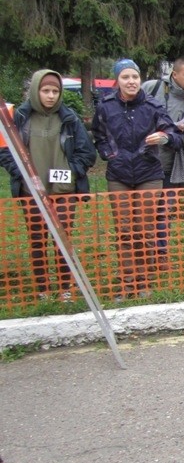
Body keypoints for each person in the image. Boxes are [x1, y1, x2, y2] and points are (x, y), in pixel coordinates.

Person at [0, 69, 97, 301]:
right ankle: (42, 289)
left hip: (63, 193)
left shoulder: (70, 119)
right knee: (37, 240)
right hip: (31, 193)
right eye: (46, 91)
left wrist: (72, 172)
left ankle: (65, 288)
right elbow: (5, 152)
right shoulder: (18, 119)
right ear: (35, 91)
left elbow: (87, 153)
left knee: (62, 240)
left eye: (55, 91)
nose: (51, 95)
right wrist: (21, 174)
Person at [92, 59, 182, 300]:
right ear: (117, 80)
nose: (131, 81)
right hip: (119, 174)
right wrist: (108, 153)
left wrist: (164, 138)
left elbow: (174, 135)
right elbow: (98, 136)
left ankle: (143, 281)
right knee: (123, 230)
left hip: (148, 173)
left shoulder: (153, 106)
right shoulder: (106, 106)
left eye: (134, 77)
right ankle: (125, 280)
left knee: (143, 229)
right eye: (125, 77)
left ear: (140, 79)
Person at [143, 57, 184, 270]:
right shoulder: (152, 88)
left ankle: (160, 255)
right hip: (144, 164)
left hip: (171, 167)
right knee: (142, 212)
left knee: (164, 213)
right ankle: (142, 256)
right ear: (174, 74)